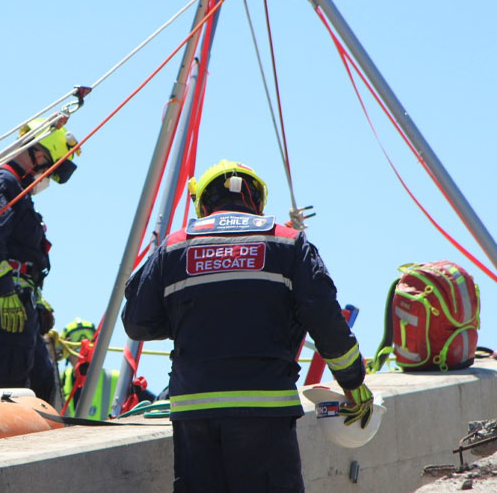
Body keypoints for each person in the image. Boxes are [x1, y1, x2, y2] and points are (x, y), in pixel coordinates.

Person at [121, 159, 373, 493]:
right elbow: (325, 320)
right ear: (256, 201)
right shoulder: (288, 243)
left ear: (204, 203)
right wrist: (353, 382)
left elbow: (137, 322)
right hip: (264, 409)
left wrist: (194, 316)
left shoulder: (175, 245)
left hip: (195, 412)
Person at [0, 118, 78, 402]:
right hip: (3, 300)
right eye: (48, 171)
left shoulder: (15, 188)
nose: (45, 180)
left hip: (19, 296)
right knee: (9, 388)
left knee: (38, 383)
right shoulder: (3, 182)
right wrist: (5, 291)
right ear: (39, 155)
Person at [57, 318, 156, 419]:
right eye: (77, 348)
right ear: (66, 352)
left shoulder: (119, 380)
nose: (83, 354)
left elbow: (155, 406)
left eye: (90, 347)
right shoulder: (58, 382)